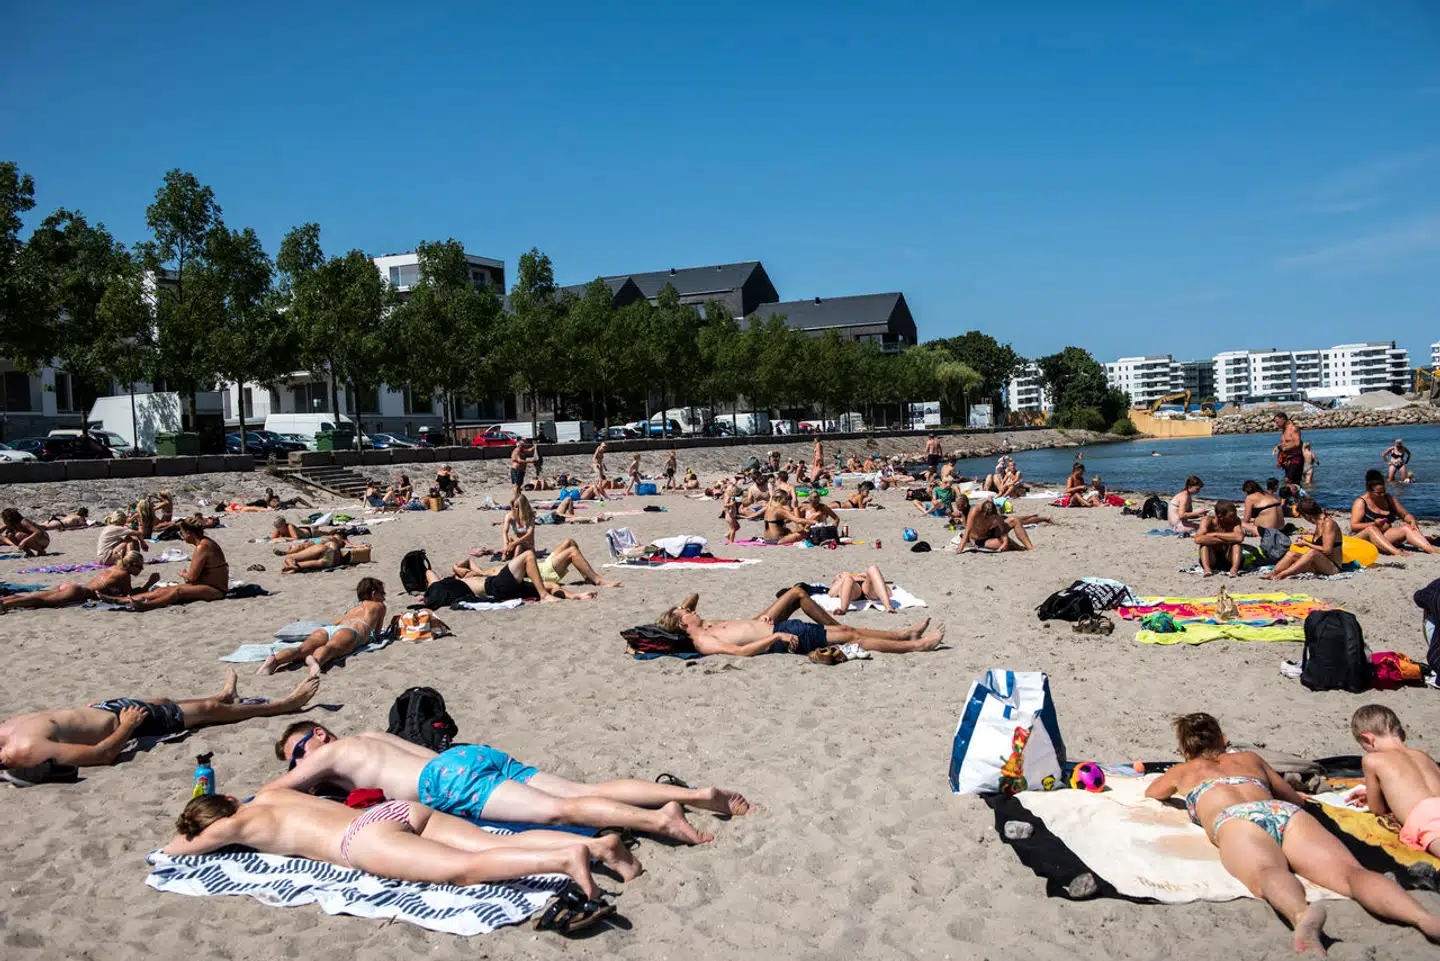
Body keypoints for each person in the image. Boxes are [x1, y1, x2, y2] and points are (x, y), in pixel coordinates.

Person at [1146, 713, 1440, 953]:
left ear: (1186, 749)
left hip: (1236, 820)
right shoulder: (1250, 758)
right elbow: (1293, 797)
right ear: (1222, 739)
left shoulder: (1183, 771)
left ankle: (1301, 914)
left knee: (1266, 870)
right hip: (1281, 812)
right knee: (1352, 873)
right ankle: (1423, 917)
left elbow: (1154, 791)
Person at [165, 789, 623, 922]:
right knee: (492, 844)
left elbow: (177, 849)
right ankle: (600, 847)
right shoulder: (267, 794)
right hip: (396, 810)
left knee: (461, 871)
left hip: (361, 840)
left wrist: (192, 826)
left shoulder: (235, 824)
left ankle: (563, 861)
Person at [265, 726, 749, 845]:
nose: (301, 760)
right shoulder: (367, 736)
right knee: (580, 790)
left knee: (558, 813)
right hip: (465, 756)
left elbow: (275, 792)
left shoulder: (326, 753)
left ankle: (659, 819)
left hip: (446, 780)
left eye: (298, 749)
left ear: (316, 736)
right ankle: (693, 795)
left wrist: (294, 777)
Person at [0, 665, 320, 772]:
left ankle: (223, 697)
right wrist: (127, 726)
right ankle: (284, 705)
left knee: (164, 699)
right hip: (125, 721)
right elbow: (101, 755)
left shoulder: (8, 729)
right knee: (205, 715)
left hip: (104, 707)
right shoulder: (24, 750)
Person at [657, 587, 943, 656]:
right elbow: (741, 652)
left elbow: (692, 597)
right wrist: (774, 637)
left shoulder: (700, 622)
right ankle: (913, 646)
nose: (692, 610)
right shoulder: (704, 639)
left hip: (767, 623)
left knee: (843, 629)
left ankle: (902, 634)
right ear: (683, 624)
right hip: (779, 635)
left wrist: (678, 611)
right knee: (849, 638)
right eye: (687, 614)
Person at [1350, 705, 1440, 859]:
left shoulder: (1372, 760)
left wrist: (1373, 796)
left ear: (1368, 739)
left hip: (1426, 818)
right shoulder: (1422, 755)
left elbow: (1377, 809)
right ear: (1402, 734)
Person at [258, 578, 388, 675]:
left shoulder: (353, 607)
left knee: (301, 648)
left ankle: (274, 661)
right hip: (351, 631)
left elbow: (336, 622)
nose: (384, 597)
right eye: (382, 593)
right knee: (330, 648)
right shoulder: (379, 606)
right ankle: (315, 660)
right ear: (373, 594)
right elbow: (377, 634)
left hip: (329, 629)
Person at [101, 516, 228, 610]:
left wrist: (183, 573)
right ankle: (121, 599)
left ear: (189, 533)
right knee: (164, 590)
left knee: (177, 592)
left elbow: (191, 578)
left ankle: (147, 605)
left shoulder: (202, 547)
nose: (182, 537)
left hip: (216, 589)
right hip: (206, 584)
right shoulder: (203, 543)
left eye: (182, 533)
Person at [2, 550, 157, 613]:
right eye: (140, 566)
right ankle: (6, 604)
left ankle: (5, 600)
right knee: (40, 600)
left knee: (38, 596)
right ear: (131, 565)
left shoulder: (115, 568)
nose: (141, 569)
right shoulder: (123, 575)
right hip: (79, 592)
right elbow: (129, 595)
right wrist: (149, 583)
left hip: (75, 587)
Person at [1350, 469, 1439, 556]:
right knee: (1372, 529)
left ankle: (1431, 549)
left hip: (1383, 536)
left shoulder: (1388, 498)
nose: (1382, 495)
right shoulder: (1361, 502)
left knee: (1406, 527)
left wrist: (1411, 520)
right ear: (1369, 490)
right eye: (1378, 493)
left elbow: (1405, 515)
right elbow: (1354, 526)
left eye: (1383, 491)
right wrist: (1374, 523)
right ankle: (1397, 552)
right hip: (1362, 538)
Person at [1262, 496, 1341, 580]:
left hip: (1332, 567)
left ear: (1307, 515)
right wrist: (1305, 541)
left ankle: (1283, 574)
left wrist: (1306, 543)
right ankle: (1272, 573)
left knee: (1312, 552)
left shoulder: (1328, 524)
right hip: (1317, 564)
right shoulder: (1319, 524)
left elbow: (1327, 550)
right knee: (1291, 554)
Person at [956, 498, 1034, 552]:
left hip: (991, 532)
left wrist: (1005, 541)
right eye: (987, 517)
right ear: (982, 512)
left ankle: (1030, 548)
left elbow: (1002, 528)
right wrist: (960, 548)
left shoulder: (994, 512)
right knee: (1002, 544)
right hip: (980, 539)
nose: (990, 519)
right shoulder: (974, 511)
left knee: (1014, 520)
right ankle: (1020, 548)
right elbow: (967, 531)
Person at [1240, 479, 1290, 562]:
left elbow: (1246, 519)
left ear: (1246, 490)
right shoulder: (1269, 495)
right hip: (1281, 529)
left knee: (1240, 523)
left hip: (1268, 532)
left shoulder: (1250, 498)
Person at [1194, 500, 1245, 577]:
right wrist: (1228, 539)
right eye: (1231, 516)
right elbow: (1198, 539)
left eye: (1235, 515)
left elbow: (1240, 537)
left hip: (1228, 557)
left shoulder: (1236, 521)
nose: (1234, 518)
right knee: (1204, 545)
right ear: (1220, 516)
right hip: (1212, 558)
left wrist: (1215, 534)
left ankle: (1234, 569)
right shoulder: (1207, 520)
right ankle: (1207, 569)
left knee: (1237, 545)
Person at [827, 565, 894, 615]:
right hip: (853, 590)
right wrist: (841, 579)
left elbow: (889, 591)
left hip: (865, 587)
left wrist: (865, 576)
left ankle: (888, 606)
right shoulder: (841, 579)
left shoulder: (860, 577)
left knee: (873, 568)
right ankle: (843, 609)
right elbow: (831, 593)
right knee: (848, 579)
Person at [276, 532, 349, 573]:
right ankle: (294, 568)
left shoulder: (328, 537)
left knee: (289, 558)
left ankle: (287, 555)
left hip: (325, 547)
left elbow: (305, 546)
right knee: (300, 565)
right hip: (334, 560)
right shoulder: (342, 542)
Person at [1273, 412, 1304, 487]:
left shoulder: (1293, 429)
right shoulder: (1284, 430)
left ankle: (1302, 497)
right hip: (1287, 459)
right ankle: (1300, 497)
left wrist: (1285, 448)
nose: (1276, 424)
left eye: (1277, 422)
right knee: (1294, 482)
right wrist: (1278, 447)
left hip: (1296, 458)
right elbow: (1287, 442)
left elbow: (1297, 443)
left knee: (1288, 480)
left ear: (1283, 419)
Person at [502, 494, 536, 560]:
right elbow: (505, 532)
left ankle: (514, 559)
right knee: (510, 546)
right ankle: (509, 555)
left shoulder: (530, 516)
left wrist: (514, 543)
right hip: (516, 541)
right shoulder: (509, 516)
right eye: (515, 507)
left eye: (518, 507)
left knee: (519, 545)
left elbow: (529, 534)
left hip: (528, 544)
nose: (516, 509)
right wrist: (506, 544)